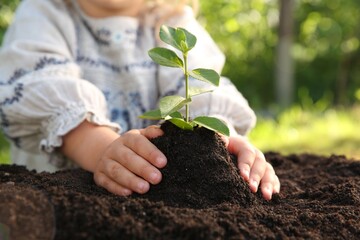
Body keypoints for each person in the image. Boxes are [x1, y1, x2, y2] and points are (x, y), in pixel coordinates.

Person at [0, 0, 280, 200]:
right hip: (57, 203)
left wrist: (219, 143)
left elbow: (199, 88)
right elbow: (40, 85)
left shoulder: (171, 19)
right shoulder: (43, 12)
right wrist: (102, 151)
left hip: (154, 198)